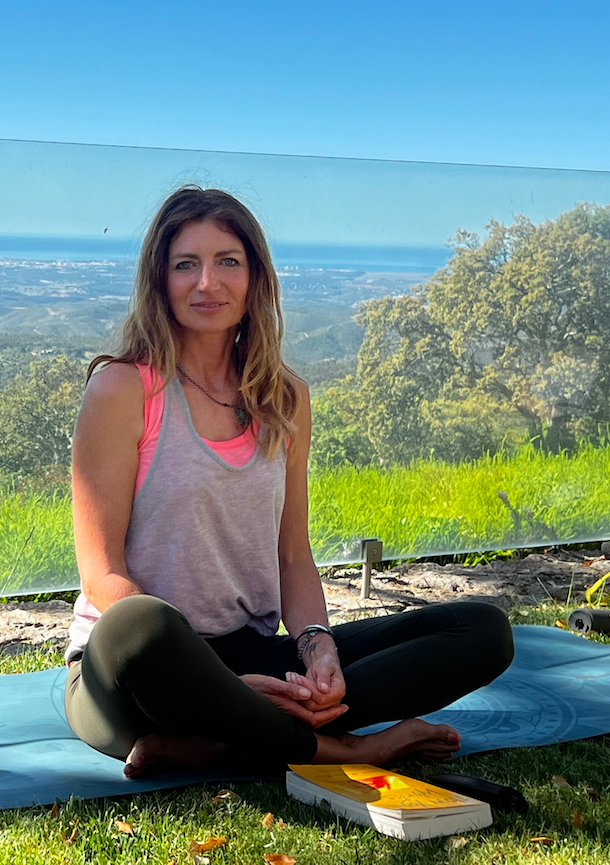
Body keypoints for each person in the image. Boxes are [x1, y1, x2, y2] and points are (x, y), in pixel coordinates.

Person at [63, 185, 514, 778]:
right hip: (139, 668)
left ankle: (225, 738)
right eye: (186, 264)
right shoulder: (123, 389)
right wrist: (214, 678)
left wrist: (318, 648)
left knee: (481, 630)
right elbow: (101, 574)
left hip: (249, 655)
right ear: (159, 281)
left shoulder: (284, 398)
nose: (207, 283)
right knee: (141, 622)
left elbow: (293, 556)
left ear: (255, 279)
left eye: (228, 261)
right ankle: (343, 749)